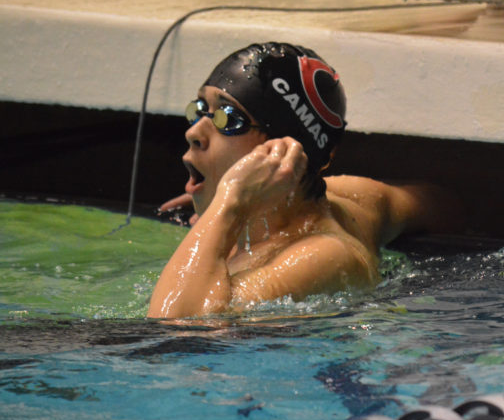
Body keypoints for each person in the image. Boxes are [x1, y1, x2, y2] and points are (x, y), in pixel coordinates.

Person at [148, 42, 461, 318]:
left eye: (228, 119)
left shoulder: (320, 254)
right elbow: (442, 202)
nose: (193, 132)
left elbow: (176, 329)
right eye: (201, 109)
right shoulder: (353, 199)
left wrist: (227, 206)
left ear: (283, 153)